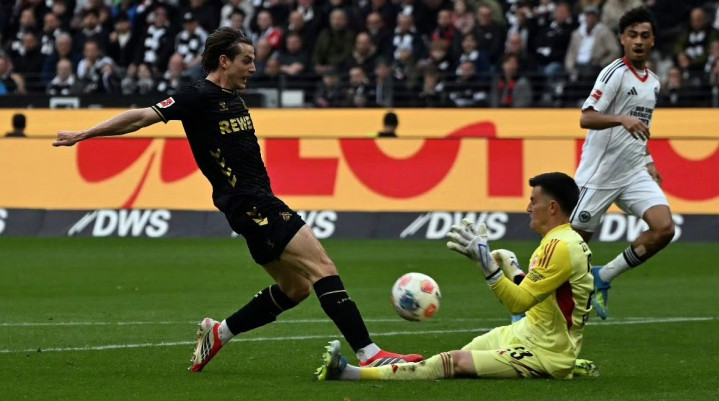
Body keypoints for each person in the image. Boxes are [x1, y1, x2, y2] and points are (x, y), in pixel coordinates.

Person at [52, 27, 422, 373]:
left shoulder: (233, 98)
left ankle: (220, 333)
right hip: (252, 205)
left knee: (296, 288)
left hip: (251, 205)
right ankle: (369, 354)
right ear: (224, 61)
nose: (253, 68)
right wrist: (85, 134)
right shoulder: (197, 96)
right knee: (322, 266)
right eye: (247, 60)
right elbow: (141, 117)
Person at [317, 172, 597, 381]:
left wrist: (486, 265)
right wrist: (511, 265)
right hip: (526, 334)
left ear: (552, 207)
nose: (527, 208)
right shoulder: (563, 241)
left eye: (533, 201)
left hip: (544, 352)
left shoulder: (559, 246)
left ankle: (349, 373)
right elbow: (539, 296)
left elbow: (519, 303)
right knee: (462, 358)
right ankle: (570, 362)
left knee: (452, 362)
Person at [569, 6, 675, 320]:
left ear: (653, 41)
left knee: (664, 229)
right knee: (569, 248)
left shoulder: (653, 82)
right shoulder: (614, 73)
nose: (638, 41)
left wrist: (648, 159)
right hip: (599, 174)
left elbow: (640, 125)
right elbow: (586, 118)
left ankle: (603, 276)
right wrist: (620, 119)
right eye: (632, 35)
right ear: (622, 39)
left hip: (633, 171)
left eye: (644, 36)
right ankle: (528, 306)